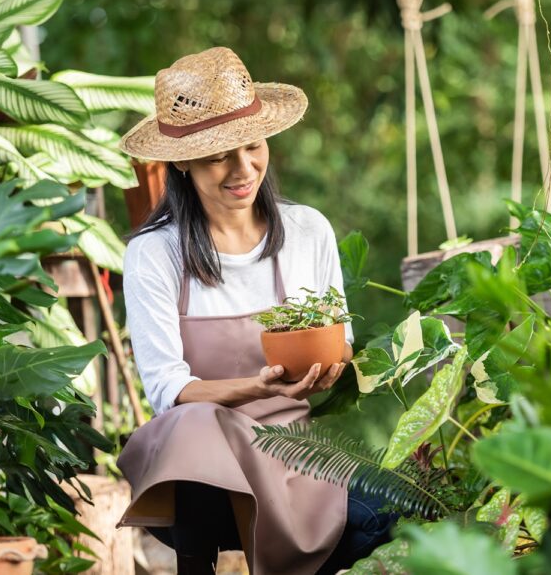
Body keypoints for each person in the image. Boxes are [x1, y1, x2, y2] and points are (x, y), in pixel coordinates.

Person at [115, 47, 394, 575]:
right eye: (221, 154)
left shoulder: (308, 231)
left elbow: (341, 337)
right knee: (194, 427)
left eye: (253, 146)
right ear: (181, 160)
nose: (244, 170)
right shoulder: (155, 252)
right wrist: (258, 386)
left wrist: (330, 366)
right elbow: (167, 388)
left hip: (291, 452)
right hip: (193, 476)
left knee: (386, 517)